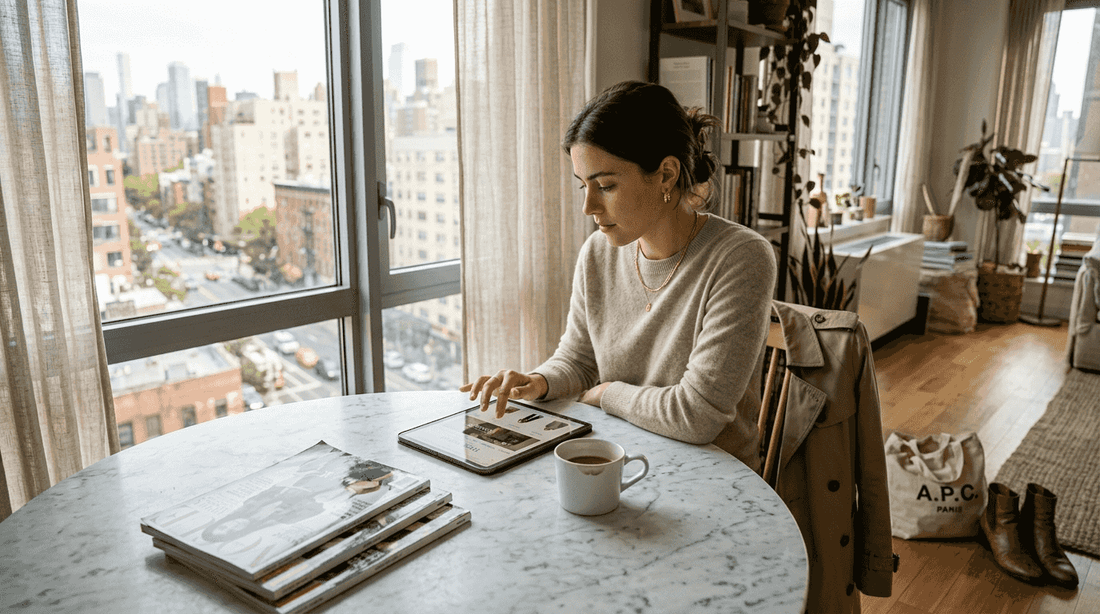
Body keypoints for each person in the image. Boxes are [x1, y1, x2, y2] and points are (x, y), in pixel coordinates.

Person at [460, 81, 776, 469]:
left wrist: (607, 394)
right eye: (583, 186)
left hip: (711, 474)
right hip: (623, 457)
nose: (588, 206)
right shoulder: (598, 253)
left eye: (605, 185)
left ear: (666, 174)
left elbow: (699, 414)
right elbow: (579, 361)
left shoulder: (740, 257)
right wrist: (537, 381)